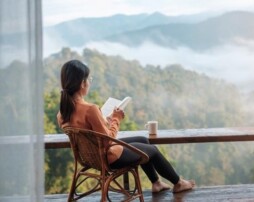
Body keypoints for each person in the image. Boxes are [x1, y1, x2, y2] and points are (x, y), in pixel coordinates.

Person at [57, 59, 195, 193]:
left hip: (90, 158)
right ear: (82, 83)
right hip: (108, 157)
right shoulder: (90, 109)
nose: (89, 83)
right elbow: (108, 140)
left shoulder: (62, 113)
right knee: (152, 150)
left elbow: (90, 135)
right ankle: (179, 183)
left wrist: (105, 120)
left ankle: (156, 183)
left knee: (142, 140)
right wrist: (116, 119)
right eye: (89, 80)